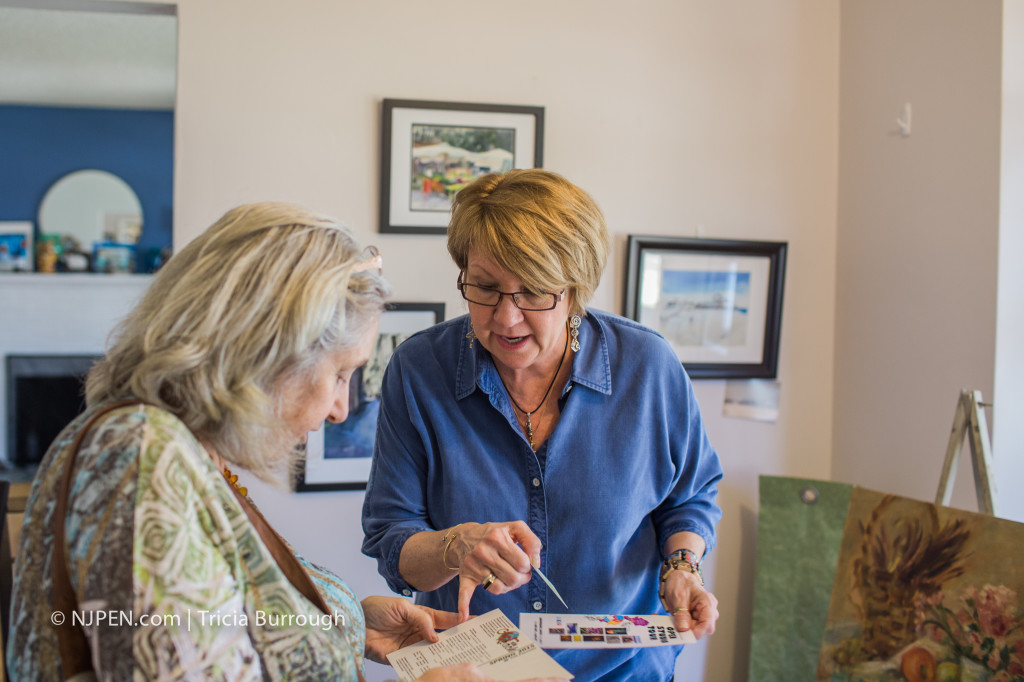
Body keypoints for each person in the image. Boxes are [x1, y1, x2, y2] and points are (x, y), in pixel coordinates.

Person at [6, 202, 559, 682]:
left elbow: (219, 616)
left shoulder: (169, 450)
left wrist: (341, 620)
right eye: (341, 373)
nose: (342, 408)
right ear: (266, 357)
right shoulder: (140, 462)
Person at [361, 169, 725, 681]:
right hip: (472, 671)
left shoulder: (647, 367)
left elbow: (688, 497)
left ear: (575, 290)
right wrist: (454, 546)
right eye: (485, 287)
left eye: (533, 293)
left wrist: (682, 568)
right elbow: (392, 537)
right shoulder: (420, 370)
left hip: (622, 667)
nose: (506, 318)